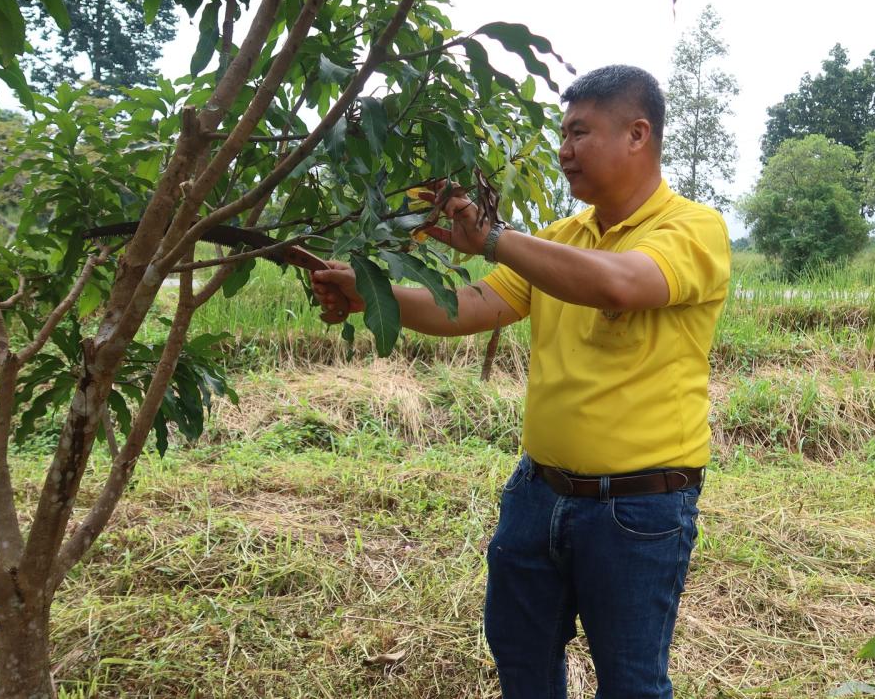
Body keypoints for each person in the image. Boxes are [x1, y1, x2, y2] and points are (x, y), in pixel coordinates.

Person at [311, 65, 731, 698]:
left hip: (639, 509)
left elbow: (618, 283)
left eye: (579, 133)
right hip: (538, 495)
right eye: (563, 134)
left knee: (632, 683)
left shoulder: (692, 229)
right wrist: (371, 294)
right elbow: (474, 303)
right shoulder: (562, 238)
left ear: (637, 134)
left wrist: (497, 238)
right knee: (521, 658)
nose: (564, 151)